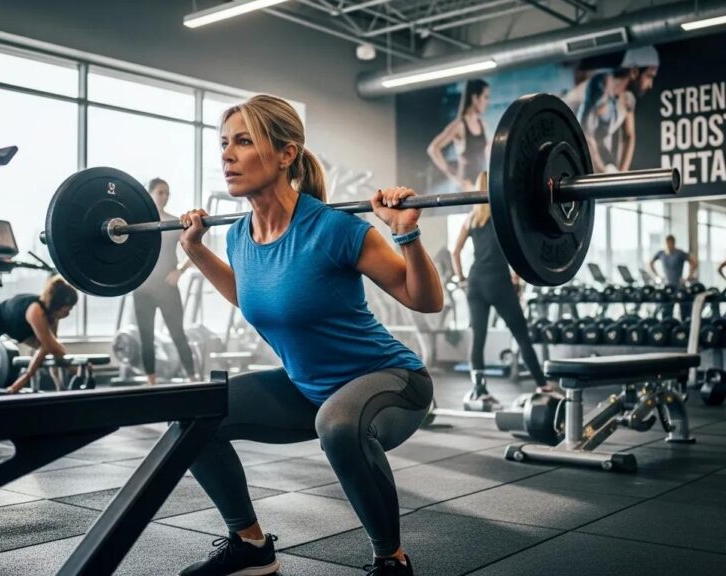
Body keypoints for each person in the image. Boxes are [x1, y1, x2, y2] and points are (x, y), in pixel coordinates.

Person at [176, 95, 439, 576]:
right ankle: (251, 547)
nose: (227, 155)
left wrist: (406, 234)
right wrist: (195, 251)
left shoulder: (334, 228)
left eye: (244, 142)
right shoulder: (238, 236)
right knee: (194, 414)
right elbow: (254, 296)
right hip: (308, 388)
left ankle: (391, 561)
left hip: (391, 380)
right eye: (224, 144)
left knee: (338, 425)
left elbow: (424, 300)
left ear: (285, 154)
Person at [452, 171, 554, 403]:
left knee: (478, 338)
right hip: (498, 281)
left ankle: (480, 389)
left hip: (476, 281)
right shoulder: (503, 215)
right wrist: (517, 279)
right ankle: (543, 385)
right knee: (521, 336)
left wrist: (461, 279)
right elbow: (515, 250)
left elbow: (454, 251)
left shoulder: (471, 218)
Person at [0, 275, 78, 396]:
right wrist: (74, 367)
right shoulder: (36, 310)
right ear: (57, 304)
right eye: (66, 310)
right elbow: (52, 346)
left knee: (51, 349)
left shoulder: (53, 316)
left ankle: (60, 389)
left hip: (19, 330)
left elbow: (48, 348)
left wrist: (26, 376)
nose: (68, 314)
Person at [132, 177, 197, 385]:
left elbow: (195, 249)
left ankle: (193, 379)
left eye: (167, 193)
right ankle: (152, 383)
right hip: (143, 288)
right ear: (150, 194)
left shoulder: (174, 222)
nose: (164, 197)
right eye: (160, 192)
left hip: (168, 287)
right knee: (146, 338)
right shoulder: (138, 224)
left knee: (178, 334)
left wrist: (179, 270)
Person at [574, 47, 660, 173]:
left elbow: (629, 135)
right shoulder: (601, 85)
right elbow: (584, 135)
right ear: (635, 72)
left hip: (597, 155)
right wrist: (604, 174)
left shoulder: (628, 99)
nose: (650, 85)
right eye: (649, 76)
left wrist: (622, 174)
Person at [426, 79, 491, 193]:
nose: (487, 102)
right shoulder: (459, 125)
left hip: (481, 188)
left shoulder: (483, 125)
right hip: (465, 189)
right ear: (475, 98)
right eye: (485, 97)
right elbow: (433, 149)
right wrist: (455, 178)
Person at [649, 234, 698, 319]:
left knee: (685, 312)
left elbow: (694, 263)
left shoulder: (680, 253)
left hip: (679, 286)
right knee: (667, 312)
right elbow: (650, 263)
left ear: (674, 243)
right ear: (665, 243)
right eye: (668, 243)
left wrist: (688, 277)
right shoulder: (661, 253)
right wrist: (657, 276)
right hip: (667, 287)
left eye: (671, 243)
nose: (669, 245)